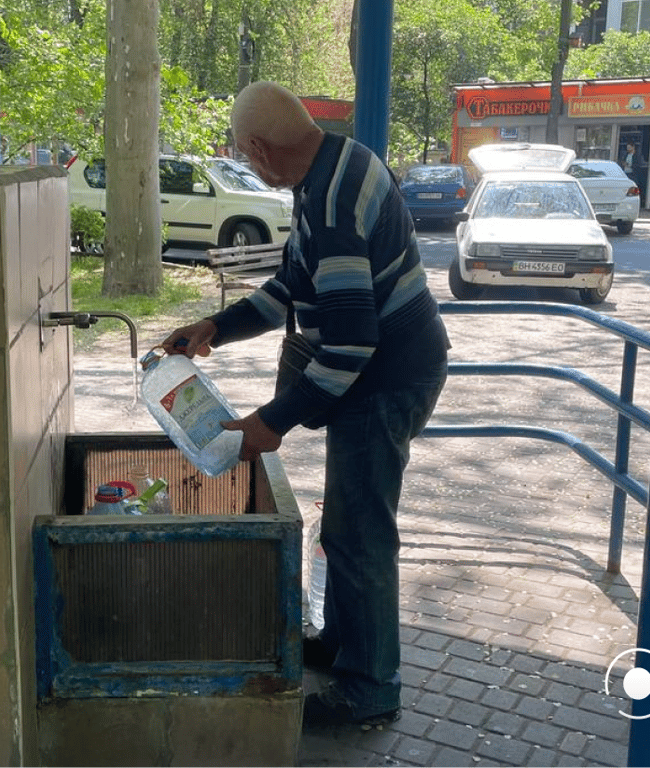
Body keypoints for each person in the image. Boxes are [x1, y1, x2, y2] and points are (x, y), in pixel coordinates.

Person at [158, 81, 450, 729]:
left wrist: (272, 421)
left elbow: (350, 344)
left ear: (259, 149)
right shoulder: (330, 167)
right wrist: (219, 325)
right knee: (346, 526)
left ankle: (370, 688)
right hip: (375, 370)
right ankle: (346, 643)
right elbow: (295, 280)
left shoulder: (336, 202)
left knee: (361, 535)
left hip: (385, 379)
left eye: (241, 151)